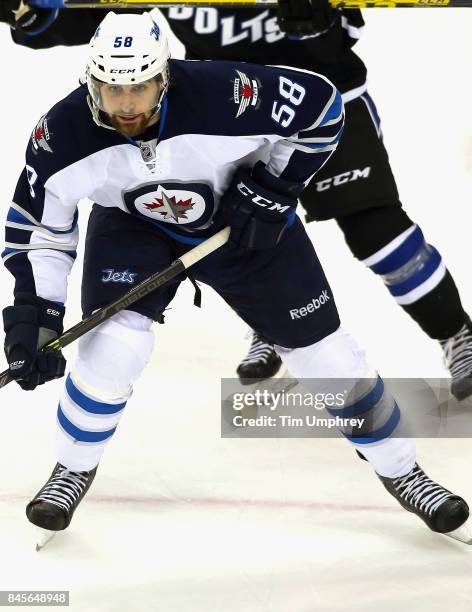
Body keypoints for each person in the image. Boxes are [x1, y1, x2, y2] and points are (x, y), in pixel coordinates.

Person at [1, 11, 469, 541]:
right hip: (135, 229)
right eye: (110, 88)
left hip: (245, 225)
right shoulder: (61, 133)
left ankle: (404, 469)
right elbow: (40, 231)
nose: (125, 104)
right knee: (111, 345)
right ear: (91, 81)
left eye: (139, 87)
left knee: (328, 356)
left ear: (165, 76)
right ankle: (71, 467)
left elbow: (322, 105)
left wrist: (275, 189)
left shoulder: (228, 93)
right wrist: (35, 316)